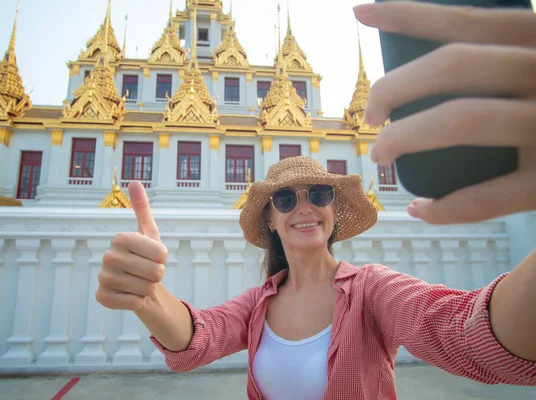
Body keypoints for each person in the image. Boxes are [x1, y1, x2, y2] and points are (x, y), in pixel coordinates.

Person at [96, 2, 536, 399]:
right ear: (270, 218)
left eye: (318, 194)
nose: (304, 207)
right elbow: (196, 342)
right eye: (285, 199)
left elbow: (466, 335)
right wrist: (149, 298)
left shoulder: (372, 292)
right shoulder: (259, 304)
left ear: (332, 210)